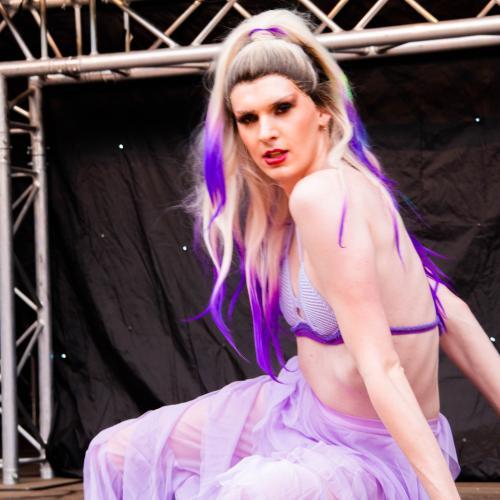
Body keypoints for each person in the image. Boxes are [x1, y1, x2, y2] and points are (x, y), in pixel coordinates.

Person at [83, 9, 500, 499]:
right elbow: (449, 309)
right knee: (114, 452)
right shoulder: (317, 197)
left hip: (361, 452)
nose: (266, 132)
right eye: (248, 118)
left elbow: (385, 365)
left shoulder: (325, 196)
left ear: (323, 110)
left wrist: (442, 495)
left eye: (282, 108)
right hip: (297, 411)